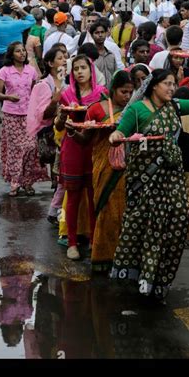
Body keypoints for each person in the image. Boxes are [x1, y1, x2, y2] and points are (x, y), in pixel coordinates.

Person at [108, 64, 189, 299]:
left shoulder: (174, 106)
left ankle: (161, 279)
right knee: (145, 228)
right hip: (144, 181)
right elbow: (118, 132)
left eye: (174, 84)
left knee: (174, 227)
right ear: (153, 85)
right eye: (167, 84)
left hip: (172, 179)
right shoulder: (137, 110)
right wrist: (115, 137)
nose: (172, 88)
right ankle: (143, 277)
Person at [67, 71, 135, 272]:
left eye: (131, 92)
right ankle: (103, 255)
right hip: (103, 164)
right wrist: (71, 130)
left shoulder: (135, 109)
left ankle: (124, 256)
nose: (127, 96)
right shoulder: (96, 109)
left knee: (126, 210)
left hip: (129, 166)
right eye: (123, 92)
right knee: (105, 208)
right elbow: (85, 140)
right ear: (113, 90)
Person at [56, 55, 108, 260]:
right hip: (72, 148)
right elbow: (59, 126)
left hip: (94, 149)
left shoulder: (102, 94)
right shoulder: (66, 94)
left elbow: (107, 120)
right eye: (75, 68)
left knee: (93, 197)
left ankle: (95, 241)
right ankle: (72, 243)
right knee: (73, 197)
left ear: (91, 70)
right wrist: (61, 118)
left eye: (83, 68)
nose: (79, 72)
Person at [0, 42, 46, 197]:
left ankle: (28, 182)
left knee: (31, 148)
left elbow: (34, 91)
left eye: (23, 50)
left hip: (29, 115)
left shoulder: (31, 71)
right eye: (18, 51)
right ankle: (15, 182)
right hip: (11, 115)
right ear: (12, 54)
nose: (22, 53)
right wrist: (9, 97)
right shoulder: (4, 71)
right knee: (16, 149)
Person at [26, 46, 68, 224]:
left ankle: (57, 211)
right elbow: (43, 114)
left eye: (65, 57)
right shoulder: (44, 85)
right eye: (60, 58)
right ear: (50, 63)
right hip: (51, 132)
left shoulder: (66, 81)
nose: (65, 60)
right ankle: (55, 212)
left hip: (66, 131)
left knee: (62, 176)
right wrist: (56, 100)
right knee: (59, 174)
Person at [89, 20, 117, 88]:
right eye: (97, 33)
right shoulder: (89, 56)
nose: (100, 35)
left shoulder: (111, 55)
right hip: (96, 94)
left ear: (106, 33)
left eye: (102, 32)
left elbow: (115, 74)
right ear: (92, 36)